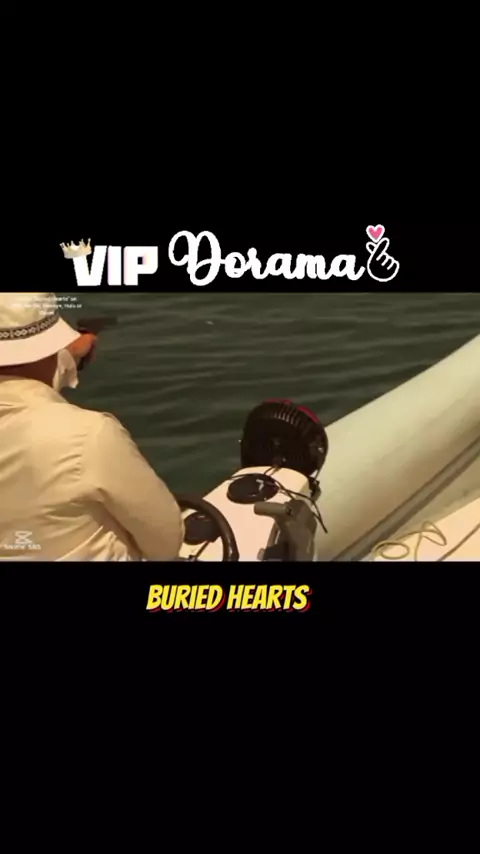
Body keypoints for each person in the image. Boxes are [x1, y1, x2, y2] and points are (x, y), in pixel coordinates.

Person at [0, 293, 184, 561]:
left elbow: (21, 380)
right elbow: (166, 540)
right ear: (51, 347)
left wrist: (68, 356)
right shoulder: (88, 434)